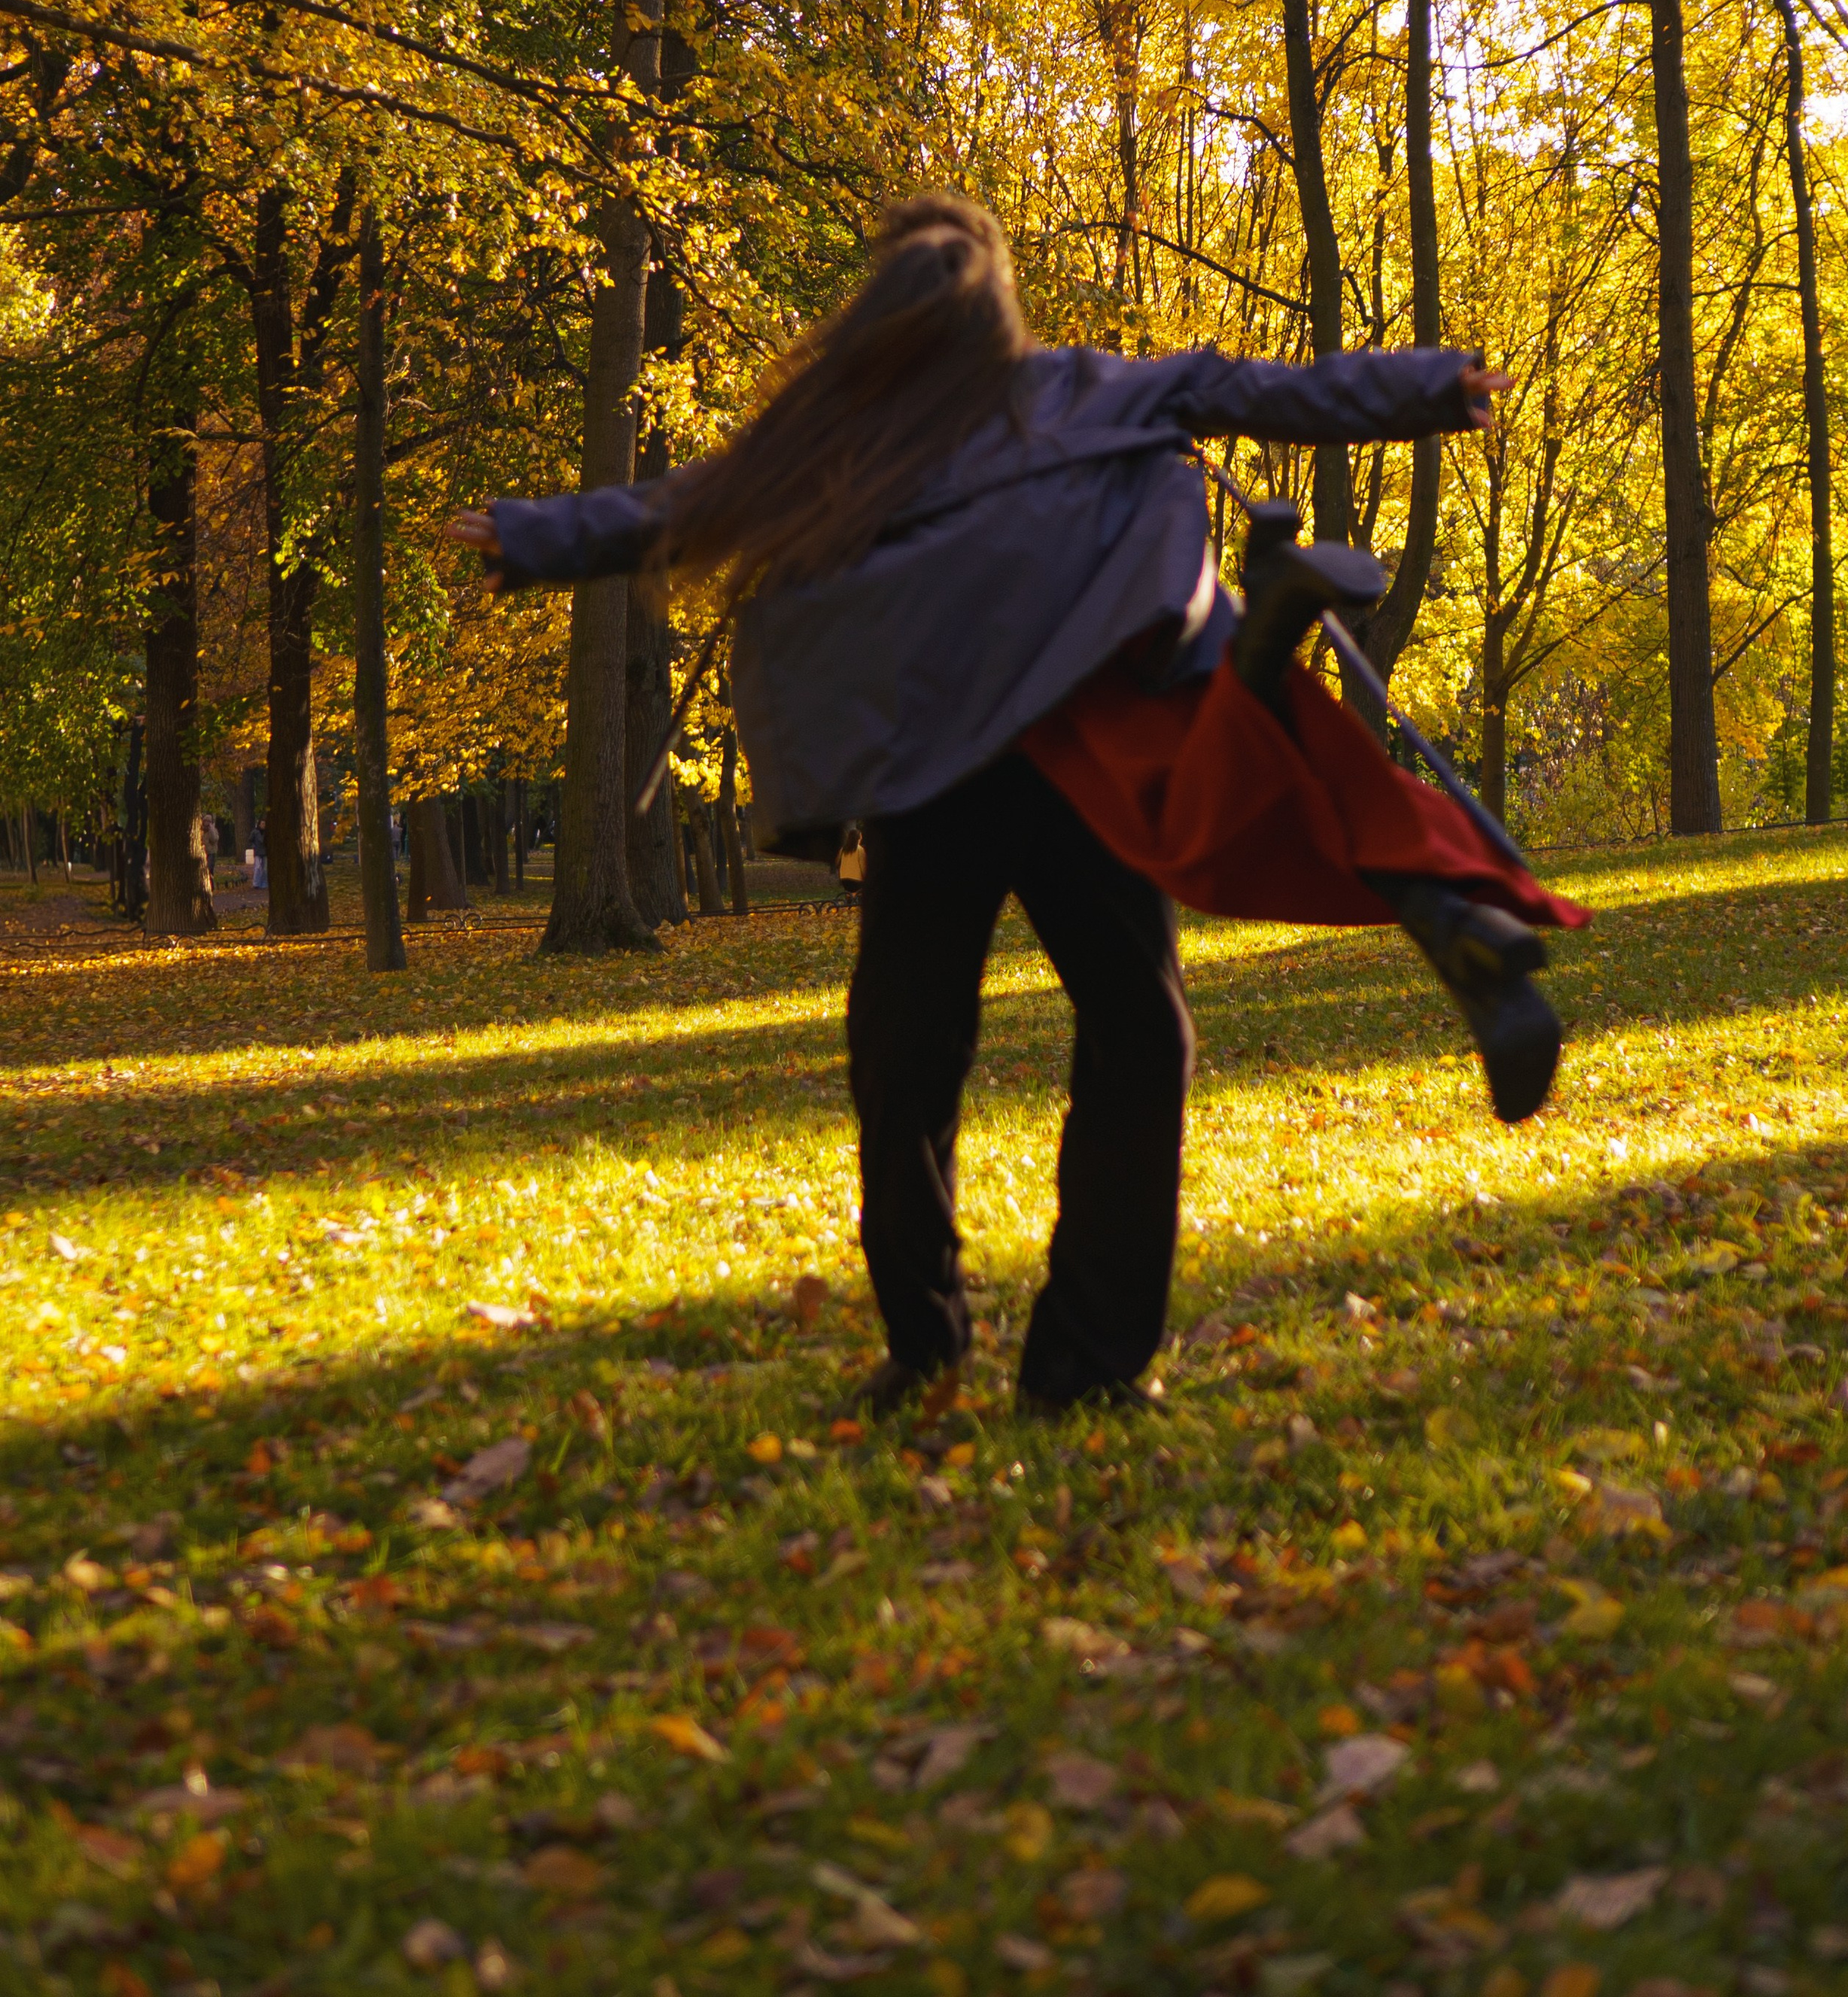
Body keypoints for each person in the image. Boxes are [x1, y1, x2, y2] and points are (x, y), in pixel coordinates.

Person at [451, 194, 1553, 1419]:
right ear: (998, 309)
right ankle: (1068, 1364)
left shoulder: (854, 432)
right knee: (1116, 1038)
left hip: (940, 774)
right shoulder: (1078, 386)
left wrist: (524, 536)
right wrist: (1430, 386)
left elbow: (682, 505)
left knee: (912, 1062)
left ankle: (938, 1347)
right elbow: (1271, 388)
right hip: (1078, 758)